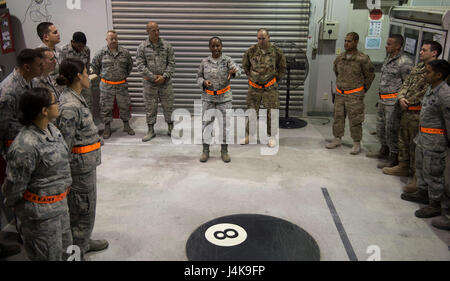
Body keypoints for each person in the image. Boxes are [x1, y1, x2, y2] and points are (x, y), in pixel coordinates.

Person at [1, 87, 72, 260]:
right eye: (55, 101)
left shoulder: (52, 130)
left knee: (69, 253)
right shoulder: (25, 145)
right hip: (41, 220)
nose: (59, 104)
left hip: (60, 209)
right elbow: (13, 189)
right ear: (44, 110)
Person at [56, 58, 108, 259]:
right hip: (77, 170)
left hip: (86, 166)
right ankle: (76, 251)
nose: (89, 77)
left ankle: (84, 241)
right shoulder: (70, 106)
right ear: (78, 76)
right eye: (86, 73)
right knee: (80, 211)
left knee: (87, 208)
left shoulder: (76, 98)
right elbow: (64, 146)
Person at [382, 41, 442, 192]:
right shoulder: (418, 67)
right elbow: (405, 84)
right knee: (404, 141)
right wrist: (401, 97)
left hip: (419, 113)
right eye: (421, 50)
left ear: (434, 53)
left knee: (416, 146)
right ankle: (403, 166)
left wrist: (410, 101)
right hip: (406, 111)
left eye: (424, 50)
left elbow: (427, 92)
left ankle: (416, 177)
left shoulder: (437, 71)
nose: (420, 52)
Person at [400, 60, 450, 227]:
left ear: (439, 75)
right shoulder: (431, 88)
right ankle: (422, 193)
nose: (424, 74)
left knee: (433, 173)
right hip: (423, 137)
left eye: (428, 72)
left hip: (435, 142)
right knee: (421, 167)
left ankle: (435, 205)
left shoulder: (445, 94)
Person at [366, 34, 413, 169]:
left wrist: (401, 101)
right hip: (383, 101)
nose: (386, 46)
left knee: (391, 130)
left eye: (389, 44)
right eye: (387, 44)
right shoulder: (388, 59)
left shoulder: (404, 62)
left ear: (398, 46)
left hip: (393, 104)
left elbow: (407, 84)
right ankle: (383, 151)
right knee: (381, 129)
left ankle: (393, 158)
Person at [326, 32, 375, 154]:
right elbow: (336, 72)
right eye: (345, 41)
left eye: (349, 41)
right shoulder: (340, 58)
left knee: (355, 120)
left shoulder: (362, 59)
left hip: (355, 95)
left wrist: (362, 90)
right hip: (340, 94)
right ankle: (337, 139)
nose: (346, 43)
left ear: (356, 42)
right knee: (338, 118)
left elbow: (370, 76)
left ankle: (356, 143)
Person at [197, 37, 242, 163]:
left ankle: (224, 151)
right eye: (213, 46)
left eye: (218, 46)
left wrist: (233, 73)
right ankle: (205, 150)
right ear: (210, 47)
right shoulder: (204, 62)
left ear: (221, 46)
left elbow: (239, 72)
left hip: (224, 99)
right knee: (206, 125)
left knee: (225, 126)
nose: (215, 48)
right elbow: (198, 77)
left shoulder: (227, 61)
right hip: (208, 99)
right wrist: (203, 82)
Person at [241, 28, 286, 148]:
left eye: (263, 38)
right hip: (254, 88)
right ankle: (249, 135)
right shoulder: (251, 51)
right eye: (259, 38)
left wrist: (274, 80)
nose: (261, 40)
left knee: (272, 113)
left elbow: (282, 68)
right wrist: (253, 78)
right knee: (251, 112)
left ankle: (272, 137)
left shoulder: (276, 51)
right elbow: (245, 66)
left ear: (268, 37)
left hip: (270, 88)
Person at [136, 21, 176, 141]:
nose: (157, 32)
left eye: (158, 29)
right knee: (150, 107)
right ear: (147, 32)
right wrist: (154, 78)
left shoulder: (167, 46)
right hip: (150, 84)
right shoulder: (142, 47)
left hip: (165, 83)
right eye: (154, 30)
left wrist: (164, 77)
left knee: (168, 106)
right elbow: (140, 65)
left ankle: (170, 128)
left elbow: (172, 63)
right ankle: (151, 130)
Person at [91, 30, 135, 139]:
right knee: (106, 107)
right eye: (111, 39)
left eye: (115, 38)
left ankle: (126, 125)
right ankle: (107, 128)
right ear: (107, 40)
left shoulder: (125, 52)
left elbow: (129, 67)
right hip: (106, 86)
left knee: (124, 105)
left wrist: (121, 76)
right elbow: (95, 68)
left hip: (121, 85)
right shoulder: (100, 53)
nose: (114, 40)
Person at [0, 49, 43, 158]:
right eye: (39, 65)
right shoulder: (8, 91)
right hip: (19, 146)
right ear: (27, 67)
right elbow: (5, 127)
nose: (42, 67)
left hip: (35, 140)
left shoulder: (34, 81)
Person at [60, 32, 93, 112]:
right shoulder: (63, 51)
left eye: (83, 46)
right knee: (73, 104)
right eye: (79, 46)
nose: (81, 48)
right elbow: (62, 69)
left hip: (83, 80)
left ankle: (88, 120)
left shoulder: (86, 49)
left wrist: (86, 77)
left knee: (88, 103)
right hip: (71, 82)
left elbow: (87, 66)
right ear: (73, 42)